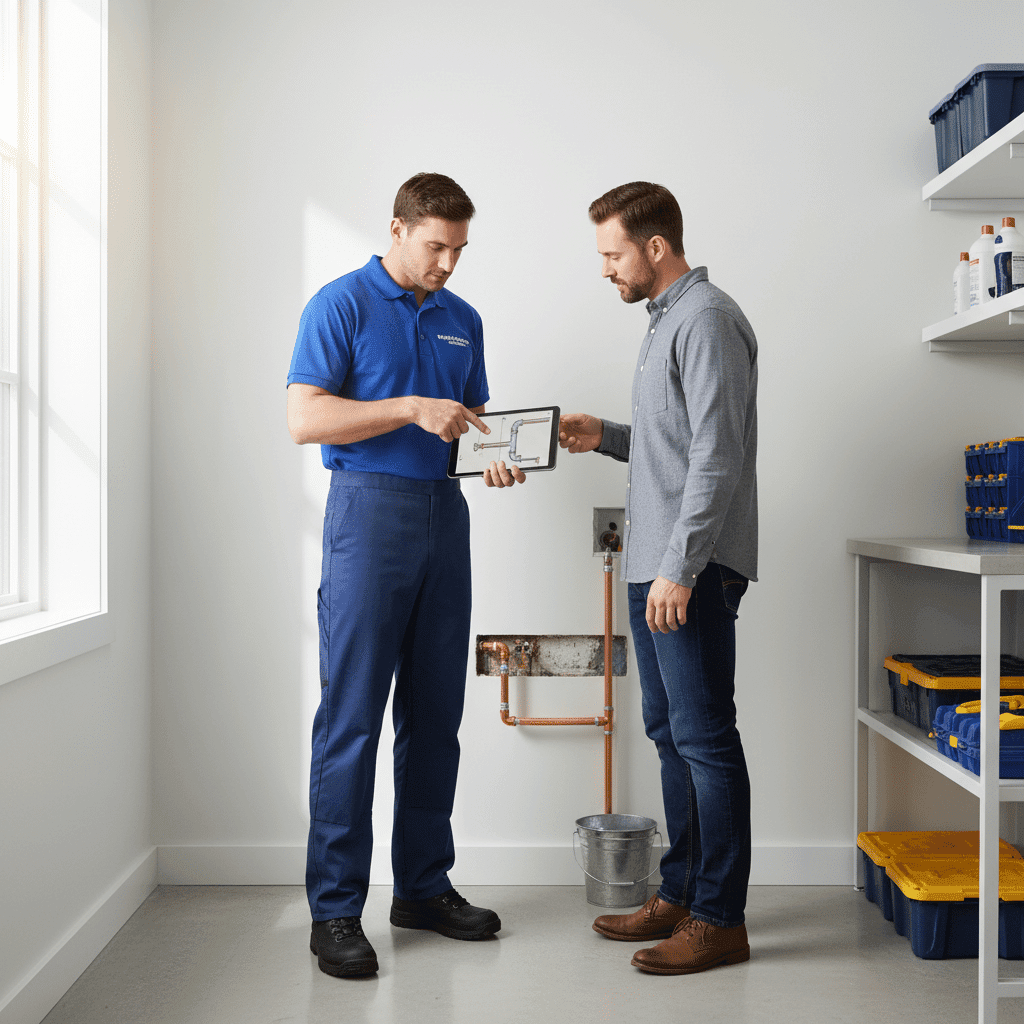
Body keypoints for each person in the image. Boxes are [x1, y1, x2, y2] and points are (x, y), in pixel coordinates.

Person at [286, 172, 525, 979]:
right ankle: (335, 910)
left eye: (460, 250)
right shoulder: (341, 304)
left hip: (443, 518)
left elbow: (471, 423)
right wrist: (408, 407)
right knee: (350, 718)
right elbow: (304, 417)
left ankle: (422, 887)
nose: (448, 264)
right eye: (436, 246)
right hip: (366, 515)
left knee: (434, 716)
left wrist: (495, 458)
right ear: (397, 229)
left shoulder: (465, 320)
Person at [559, 182, 758, 976]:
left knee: (707, 742)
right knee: (671, 735)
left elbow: (717, 453)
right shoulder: (666, 322)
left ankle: (720, 917)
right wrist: (604, 435)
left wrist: (682, 567)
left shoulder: (705, 319)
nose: (605, 270)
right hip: (656, 570)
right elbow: (672, 444)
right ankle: (679, 893)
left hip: (687, 572)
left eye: (612, 254)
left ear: (653, 248)